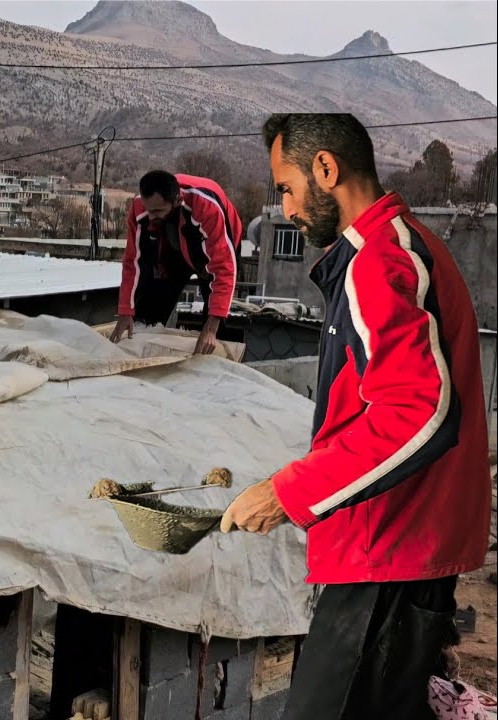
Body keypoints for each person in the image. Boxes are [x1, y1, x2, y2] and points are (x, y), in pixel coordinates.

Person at [222, 113, 490, 718]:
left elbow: (417, 410)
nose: (286, 208)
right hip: (393, 547)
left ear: (325, 168)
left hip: (390, 552)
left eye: (286, 187)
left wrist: (288, 491)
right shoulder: (396, 247)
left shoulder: (379, 261)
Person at [109, 171, 242, 355]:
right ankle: (145, 351)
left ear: (177, 200)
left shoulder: (206, 207)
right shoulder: (142, 208)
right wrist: (126, 310)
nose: (151, 216)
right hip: (174, 244)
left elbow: (223, 269)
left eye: (157, 211)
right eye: (149, 210)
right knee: (149, 309)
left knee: (214, 320)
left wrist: (211, 327)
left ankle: (217, 357)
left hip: (215, 246)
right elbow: (133, 262)